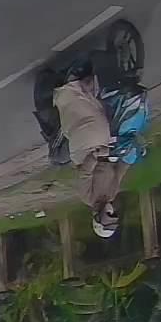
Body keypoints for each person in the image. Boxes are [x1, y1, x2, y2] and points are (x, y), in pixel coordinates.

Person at [53, 71, 128, 238]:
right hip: (106, 149)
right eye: (114, 214)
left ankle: (70, 90)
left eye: (108, 215)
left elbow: (85, 173)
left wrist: (95, 156)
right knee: (115, 119)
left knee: (94, 127)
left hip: (87, 152)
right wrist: (132, 155)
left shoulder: (87, 197)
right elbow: (120, 171)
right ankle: (92, 88)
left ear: (98, 217)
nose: (111, 211)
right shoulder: (112, 193)